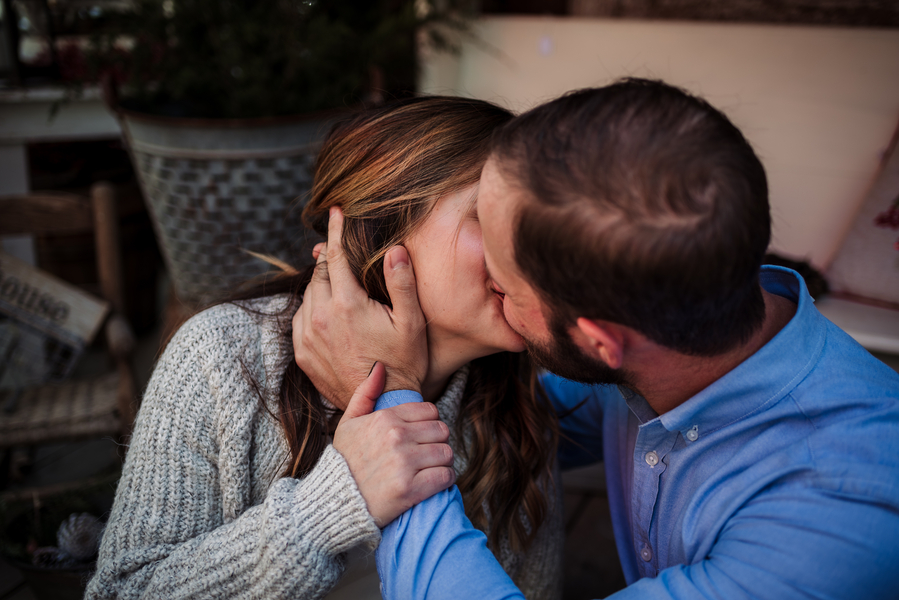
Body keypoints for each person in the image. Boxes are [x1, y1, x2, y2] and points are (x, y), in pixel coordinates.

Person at [294, 79, 899, 599]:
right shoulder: (677, 342)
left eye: (503, 288)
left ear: (602, 342)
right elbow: (513, 417)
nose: (493, 295)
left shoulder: (835, 514)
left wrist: (390, 400)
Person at [85, 96, 566, 600]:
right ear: (383, 225)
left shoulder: (519, 401)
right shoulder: (220, 357)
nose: (532, 253)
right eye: (490, 218)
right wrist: (332, 505)